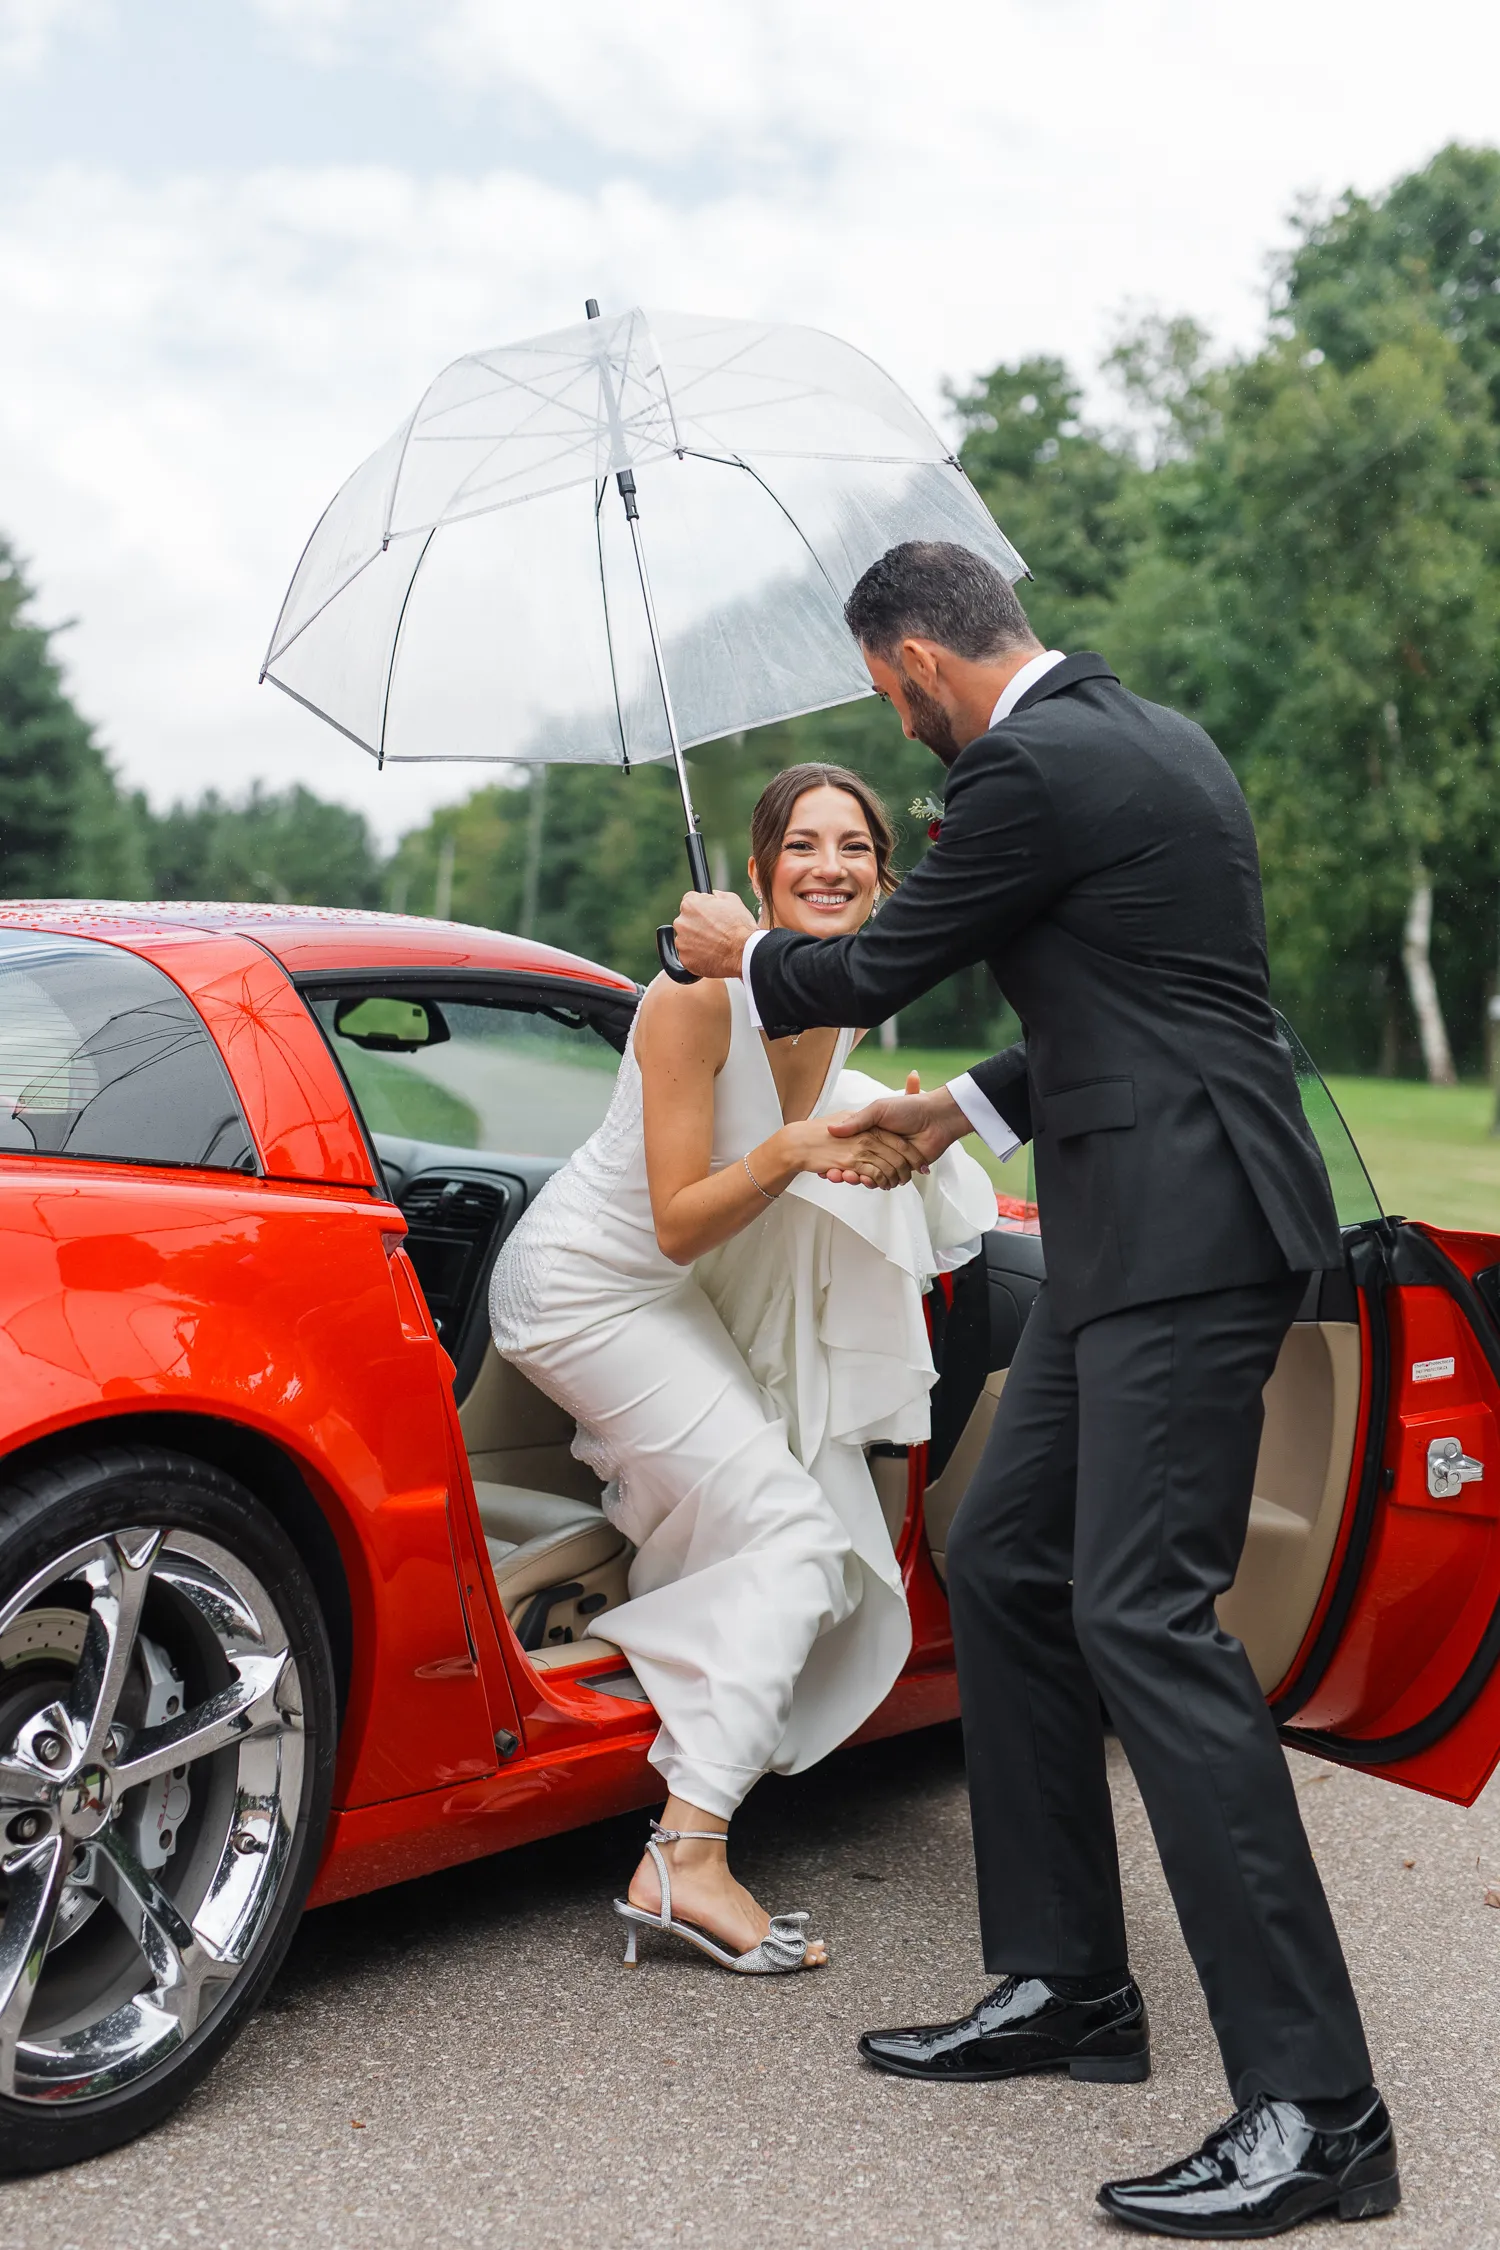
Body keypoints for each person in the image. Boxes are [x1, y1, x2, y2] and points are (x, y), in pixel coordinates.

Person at [672, 543, 1398, 2235]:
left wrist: (735, 942)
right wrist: (958, 1116)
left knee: (1148, 1617)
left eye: (885, 693)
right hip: (1139, 1218)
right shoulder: (1151, 740)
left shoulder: (1019, 768)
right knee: (1004, 1553)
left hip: (1185, 1234)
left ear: (919, 661)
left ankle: (1320, 2109)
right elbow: (1132, 984)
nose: (894, 720)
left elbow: (862, 971)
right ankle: (1070, 1986)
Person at [490, 762, 996, 1976]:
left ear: (883, 879)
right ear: (761, 872)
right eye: (806, 846)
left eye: (858, 848)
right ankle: (687, 1853)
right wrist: (796, 1148)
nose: (833, 865)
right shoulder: (694, 1003)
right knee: (788, 1541)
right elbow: (678, 1219)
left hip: (671, 1295)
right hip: (583, 1289)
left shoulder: (842, 1005)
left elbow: (795, 1167)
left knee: (781, 1515)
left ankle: (663, 1722)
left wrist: (875, 1148)